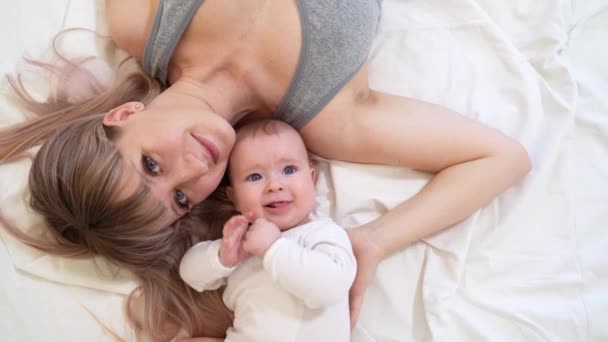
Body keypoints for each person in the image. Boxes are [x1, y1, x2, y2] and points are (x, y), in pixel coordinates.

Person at [0, 0, 532, 340]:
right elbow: (502, 158)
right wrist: (369, 242)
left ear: (122, 116)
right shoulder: (327, 119)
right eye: (181, 200)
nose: (192, 170)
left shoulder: (138, 19)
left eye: (151, 164)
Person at [179, 119, 356, 342]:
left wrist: (273, 248)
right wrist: (222, 257)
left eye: (289, 170)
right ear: (234, 198)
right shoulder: (242, 244)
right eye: (255, 177)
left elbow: (329, 288)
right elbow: (189, 274)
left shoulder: (323, 234)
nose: (274, 185)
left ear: (312, 179)